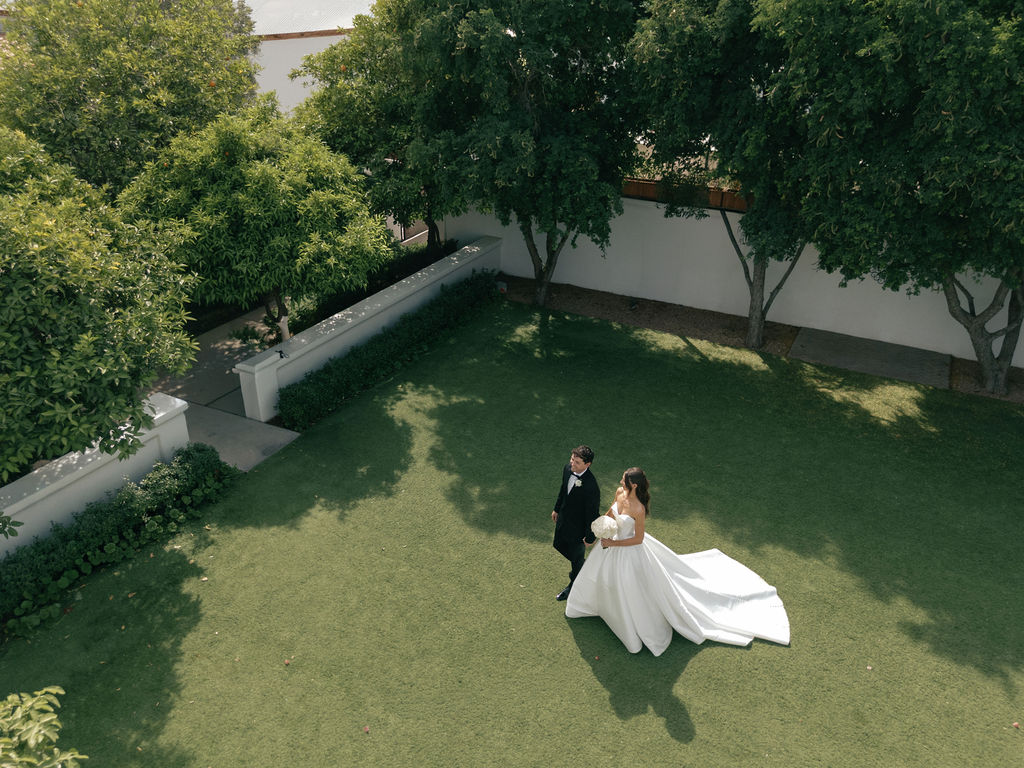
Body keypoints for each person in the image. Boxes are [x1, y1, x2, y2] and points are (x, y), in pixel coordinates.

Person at [566, 467, 790, 656]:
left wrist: (613, 543)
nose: (620, 482)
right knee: (600, 577)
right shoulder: (619, 493)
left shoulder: (638, 509)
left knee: (629, 586)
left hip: (627, 550)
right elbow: (611, 512)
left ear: (633, 485)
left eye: (623, 480)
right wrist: (601, 528)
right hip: (610, 543)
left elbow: (638, 539)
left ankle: (628, 624)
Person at [551, 445, 601, 601]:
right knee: (558, 544)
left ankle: (573, 585)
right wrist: (556, 509)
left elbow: (592, 514)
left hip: (579, 529)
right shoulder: (567, 469)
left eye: (577, 462)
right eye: (572, 459)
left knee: (576, 558)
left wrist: (590, 537)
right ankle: (583, 567)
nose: (572, 463)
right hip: (564, 519)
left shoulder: (592, 486)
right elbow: (563, 490)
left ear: (587, 464)